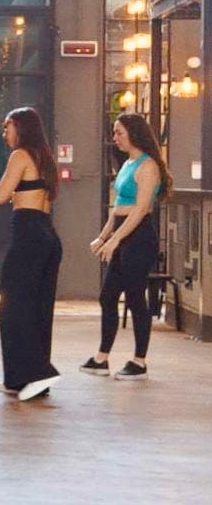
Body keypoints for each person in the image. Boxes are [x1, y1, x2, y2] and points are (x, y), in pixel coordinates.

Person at [0, 107, 62, 401]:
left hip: (28, 235)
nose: (4, 133)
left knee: (13, 307)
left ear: (21, 128)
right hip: (47, 235)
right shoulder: (43, 157)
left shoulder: (19, 155)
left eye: (8, 127)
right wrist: (1, 187)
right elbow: (24, 193)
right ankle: (31, 379)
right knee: (38, 308)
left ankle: (31, 375)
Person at [82, 112, 170, 381]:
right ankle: (102, 358)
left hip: (139, 238)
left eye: (119, 132)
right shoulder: (127, 164)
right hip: (123, 234)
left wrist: (116, 239)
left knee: (135, 298)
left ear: (134, 133)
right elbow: (118, 206)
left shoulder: (149, 166)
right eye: (114, 132)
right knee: (107, 297)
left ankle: (139, 362)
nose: (115, 137)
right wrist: (103, 236)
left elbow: (141, 209)